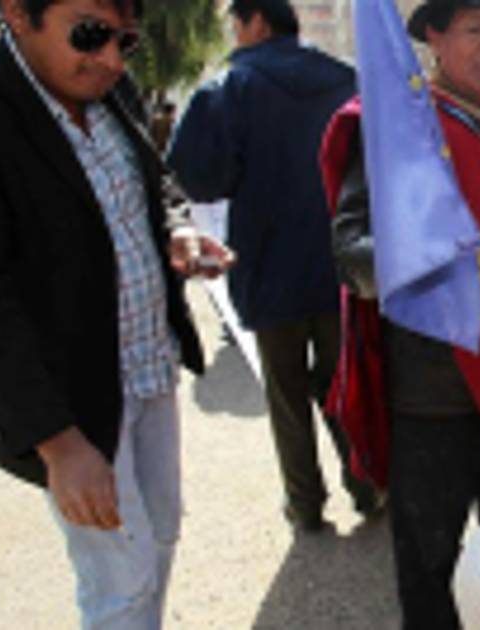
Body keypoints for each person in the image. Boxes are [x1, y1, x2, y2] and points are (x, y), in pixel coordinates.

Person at [0, 0, 233, 626]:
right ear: (17, 13)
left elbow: (155, 180)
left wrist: (176, 229)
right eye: (89, 34)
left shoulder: (109, 89)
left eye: (126, 40)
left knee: (158, 539)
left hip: (150, 367)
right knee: (119, 583)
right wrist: (59, 445)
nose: (112, 59)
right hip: (76, 403)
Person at [318, 0, 480, 627]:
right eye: (474, 31)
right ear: (433, 37)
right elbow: (351, 252)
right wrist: (434, 267)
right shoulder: (394, 125)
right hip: (434, 394)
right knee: (429, 571)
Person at [167, 0, 377, 532]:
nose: (234, 34)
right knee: (344, 384)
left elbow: (198, 178)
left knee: (286, 395)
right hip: (343, 263)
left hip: (267, 264)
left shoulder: (229, 88)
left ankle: (305, 503)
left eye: (236, 23)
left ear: (256, 22)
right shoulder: (346, 80)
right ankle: (367, 486)